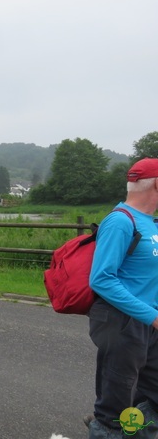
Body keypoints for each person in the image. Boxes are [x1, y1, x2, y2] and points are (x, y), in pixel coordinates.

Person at [86, 158, 158, 439]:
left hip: (147, 323)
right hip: (122, 323)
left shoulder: (150, 223)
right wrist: (151, 316)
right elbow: (101, 278)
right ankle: (106, 430)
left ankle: (134, 431)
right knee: (114, 410)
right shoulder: (120, 221)